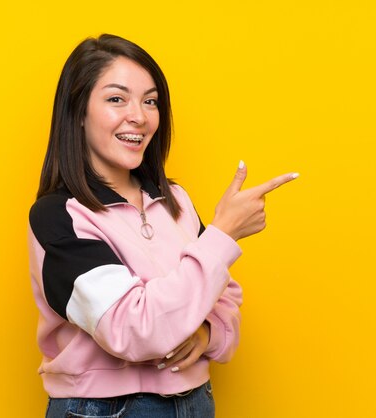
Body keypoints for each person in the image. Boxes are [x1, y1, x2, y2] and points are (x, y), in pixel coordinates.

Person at [28, 33, 299, 418]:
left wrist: (208, 334)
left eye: (150, 101)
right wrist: (223, 233)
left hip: (195, 401)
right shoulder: (60, 216)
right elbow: (136, 329)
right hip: (104, 410)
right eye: (116, 99)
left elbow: (225, 296)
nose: (139, 115)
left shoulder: (175, 200)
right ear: (79, 111)